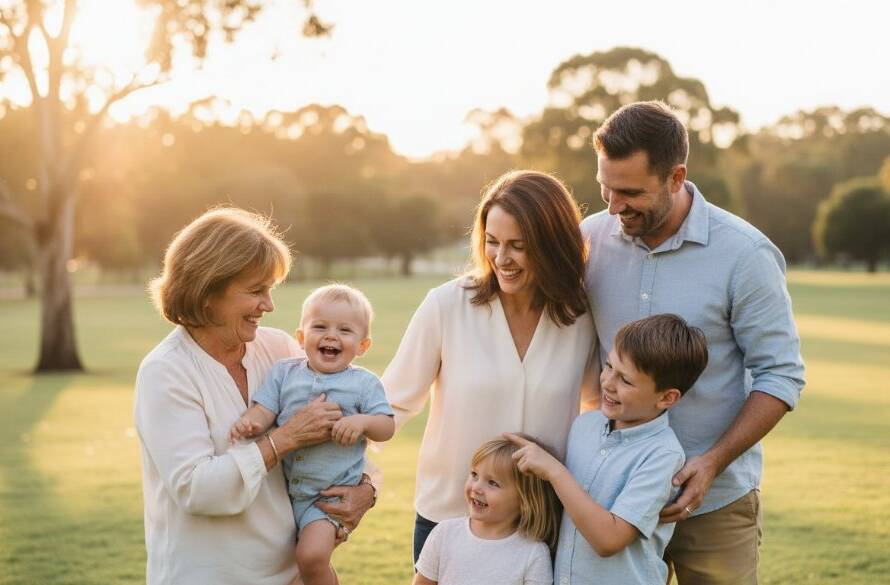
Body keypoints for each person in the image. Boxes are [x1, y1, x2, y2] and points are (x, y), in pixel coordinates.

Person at [583, 101, 806, 584]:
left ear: (676, 176)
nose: (613, 206)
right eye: (605, 188)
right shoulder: (589, 241)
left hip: (717, 503)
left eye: (629, 192)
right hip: (615, 497)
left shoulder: (745, 255)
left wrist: (711, 463)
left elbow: (781, 374)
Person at [134, 208, 376, 585]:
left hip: (290, 575)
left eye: (270, 290)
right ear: (208, 291)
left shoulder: (278, 348)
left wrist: (367, 489)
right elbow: (197, 489)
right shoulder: (166, 371)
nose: (269, 305)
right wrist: (285, 438)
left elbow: (347, 415)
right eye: (255, 290)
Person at [382, 170, 597, 563]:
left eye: (518, 245)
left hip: (542, 529)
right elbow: (390, 404)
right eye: (492, 242)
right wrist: (353, 479)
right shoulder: (446, 305)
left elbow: (599, 408)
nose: (502, 258)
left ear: (552, 246)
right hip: (450, 523)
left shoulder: (580, 315)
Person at [508, 314, 709, 585]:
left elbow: (608, 540)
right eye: (608, 366)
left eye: (625, 380)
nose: (608, 383)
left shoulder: (662, 455)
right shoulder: (585, 425)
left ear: (666, 397)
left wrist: (554, 472)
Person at [230, 284, 395, 585]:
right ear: (302, 338)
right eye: (320, 326)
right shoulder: (284, 372)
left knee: (311, 557)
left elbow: (386, 426)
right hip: (282, 496)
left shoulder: (364, 384)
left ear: (362, 346)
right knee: (290, 568)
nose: (331, 336)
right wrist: (251, 422)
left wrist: (362, 422)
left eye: (345, 330)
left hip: (326, 498)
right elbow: (265, 407)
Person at [413, 436, 561, 585]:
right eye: (474, 475)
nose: (476, 487)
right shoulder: (444, 533)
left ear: (525, 500)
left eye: (493, 483)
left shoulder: (534, 554)